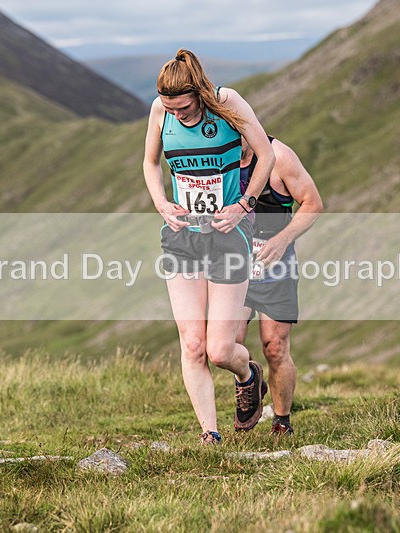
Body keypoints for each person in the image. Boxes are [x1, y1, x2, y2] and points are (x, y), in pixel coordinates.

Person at [143, 49, 276, 445]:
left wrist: (244, 205)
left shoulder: (227, 102)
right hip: (183, 237)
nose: (177, 115)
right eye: (171, 109)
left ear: (199, 93)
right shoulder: (160, 110)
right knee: (193, 344)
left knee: (220, 350)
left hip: (228, 236)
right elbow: (151, 163)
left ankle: (248, 375)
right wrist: (161, 203)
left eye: (183, 108)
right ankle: (210, 433)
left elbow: (266, 154)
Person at [235, 135, 323, 435]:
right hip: (235, 266)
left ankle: (281, 423)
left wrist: (282, 239)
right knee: (227, 343)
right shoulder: (219, 156)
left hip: (276, 268)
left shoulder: (280, 157)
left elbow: (313, 203)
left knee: (275, 348)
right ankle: (249, 379)